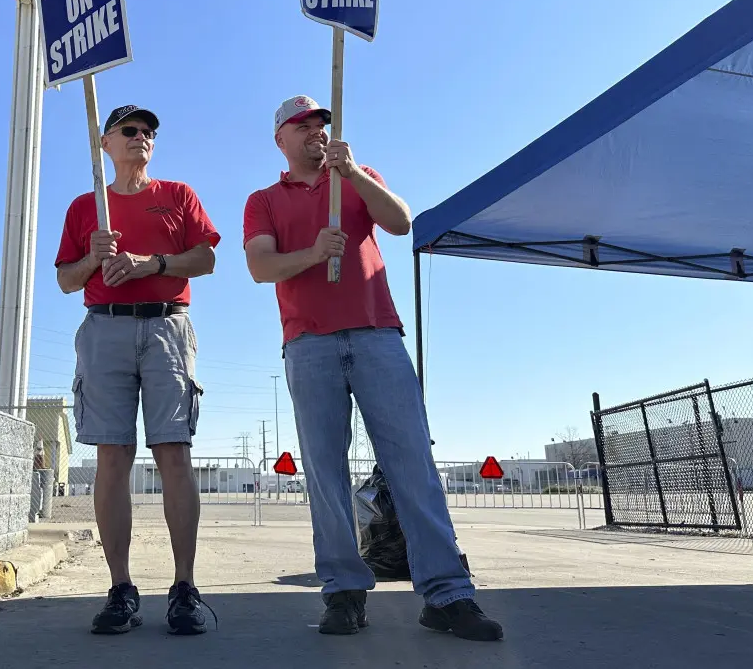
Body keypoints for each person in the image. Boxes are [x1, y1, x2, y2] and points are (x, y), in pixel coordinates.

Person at [241, 95, 504, 642]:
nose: (315, 131)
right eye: (303, 125)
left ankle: (447, 594)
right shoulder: (263, 200)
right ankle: (343, 590)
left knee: (412, 464)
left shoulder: (356, 179)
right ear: (280, 139)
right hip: (308, 343)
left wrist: (353, 172)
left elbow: (401, 222)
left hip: (377, 334)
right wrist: (314, 253)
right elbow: (261, 266)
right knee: (325, 475)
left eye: (321, 123)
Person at [55, 104, 221, 636]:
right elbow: (66, 280)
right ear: (105, 143)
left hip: (168, 327)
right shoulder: (87, 207)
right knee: (112, 454)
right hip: (104, 327)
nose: (141, 137)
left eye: (149, 131)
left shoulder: (177, 196)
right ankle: (121, 588)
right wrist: (92, 258)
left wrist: (153, 265)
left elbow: (207, 259)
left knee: (173, 451)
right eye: (129, 130)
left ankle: (184, 588)